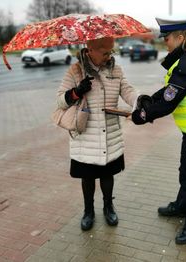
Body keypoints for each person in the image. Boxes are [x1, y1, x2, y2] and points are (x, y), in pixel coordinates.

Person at [132, 16, 186, 244]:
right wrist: (149, 100)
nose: (166, 42)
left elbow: (170, 101)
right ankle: (182, 206)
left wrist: (143, 114)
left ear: (181, 37)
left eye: (168, 38)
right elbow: (170, 89)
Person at [56, 37, 139, 230]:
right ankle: (88, 211)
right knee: (88, 176)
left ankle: (109, 207)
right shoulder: (75, 70)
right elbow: (60, 100)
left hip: (110, 133)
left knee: (107, 174)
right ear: (90, 49)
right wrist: (77, 91)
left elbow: (127, 90)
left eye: (111, 51)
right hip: (87, 136)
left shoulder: (115, 70)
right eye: (105, 52)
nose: (109, 55)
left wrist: (139, 100)